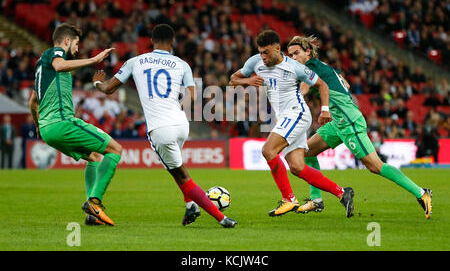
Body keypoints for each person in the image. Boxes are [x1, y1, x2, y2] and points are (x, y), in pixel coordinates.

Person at [91, 24, 236, 228]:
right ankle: (190, 206)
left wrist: (97, 82)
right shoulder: (181, 64)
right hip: (180, 124)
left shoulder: (135, 61)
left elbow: (107, 89)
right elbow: (193, 97)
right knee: (175, 168)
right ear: (173, 41)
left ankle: (221, 218)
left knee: (182, 175)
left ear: (151, 41)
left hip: (160, 128)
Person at [287, 35, 432, 219]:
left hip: (349, 122)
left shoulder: (310, 68)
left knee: (375, 166)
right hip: (337, 123)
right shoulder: (322, 66)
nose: (293, 58)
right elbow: (344, 82)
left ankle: (421, 193)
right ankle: (316, 200)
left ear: (308, 52)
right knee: (306, 151)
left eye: (296, 53)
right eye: (290, 55)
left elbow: (304, 91)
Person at [229, 30, 355, 218]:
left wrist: (325, 109)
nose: (263, 56)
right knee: (297, 167)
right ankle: (342, 192)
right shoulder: (254, 62)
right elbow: (233, 79)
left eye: (267, 52)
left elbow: (321, 84)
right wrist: (248, 80)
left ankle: (289, 199)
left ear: (278, 49)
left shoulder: (294, 67)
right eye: (261, 52)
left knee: (268, 151)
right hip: (286, 118)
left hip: (297, 113)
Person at [28, 23, 123, 226]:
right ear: (67, 40)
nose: (77, 49)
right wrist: (95, 59)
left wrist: (38, 126)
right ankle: (95, 202)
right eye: (77, 43)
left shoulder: (40, 69)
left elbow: (32, 102)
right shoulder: (54, 54)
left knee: (94, 156)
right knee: (115, 149)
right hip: (61, 123)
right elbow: (60, 65)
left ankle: (92, 214)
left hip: (47, 130)